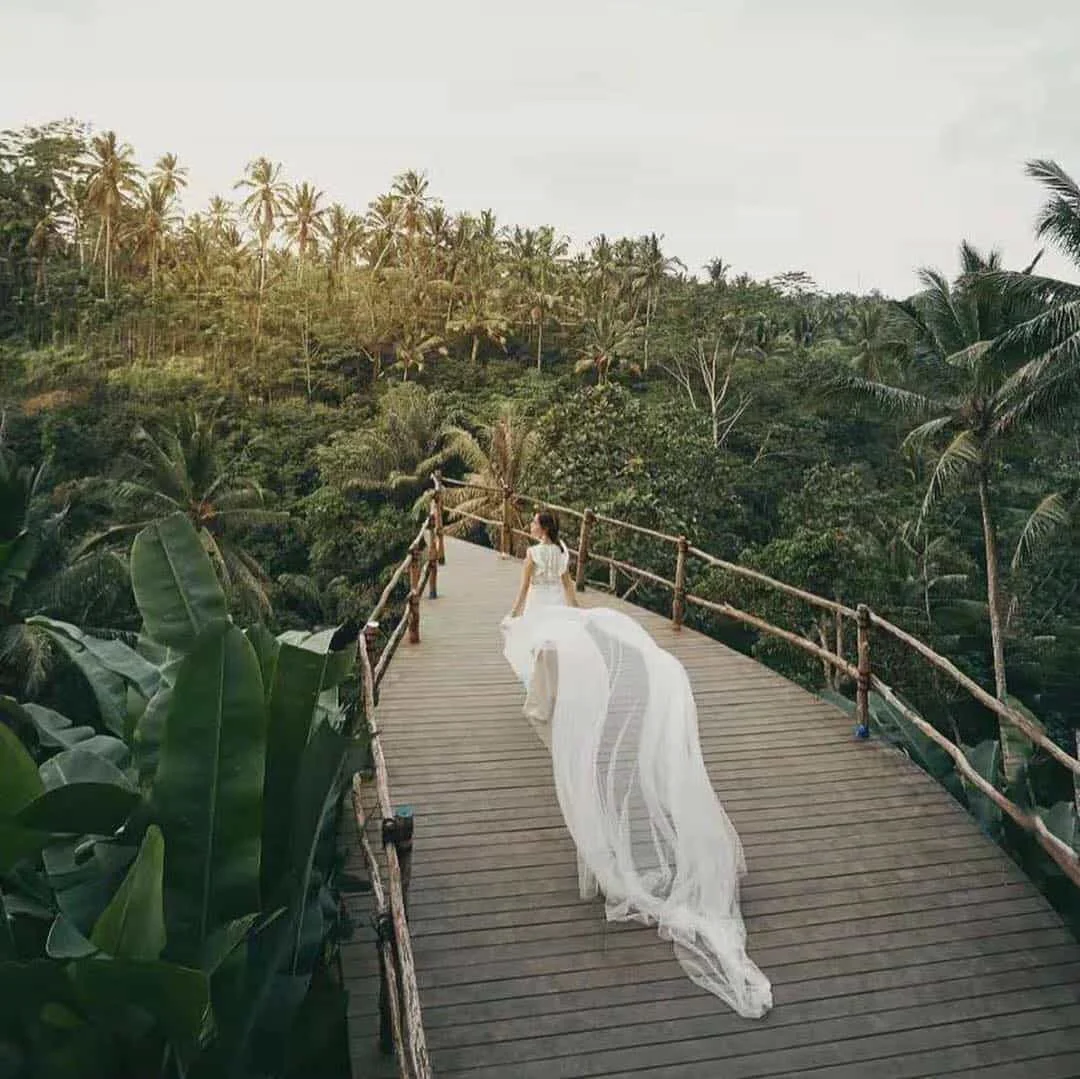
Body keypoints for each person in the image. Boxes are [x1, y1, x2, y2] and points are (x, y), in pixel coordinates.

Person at [500, 510, 773, 1020]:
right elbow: (571, 591)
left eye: (534, 523)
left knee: (534, 654)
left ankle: (548, 701)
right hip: (562, 612)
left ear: (538, 529)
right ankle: (553, 696)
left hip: (542, 615)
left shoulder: (533, 554)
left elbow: (524, 594)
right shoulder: (560, 554)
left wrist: (516, 615)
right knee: (554, 658)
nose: (533, 529)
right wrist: (582, 616)